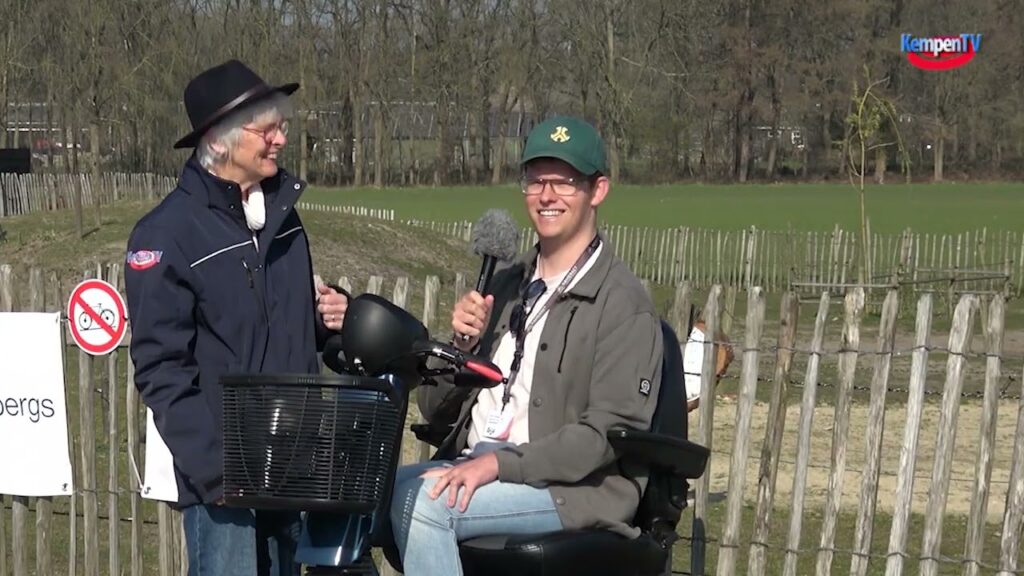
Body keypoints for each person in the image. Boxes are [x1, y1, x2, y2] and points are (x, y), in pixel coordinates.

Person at [388, 116, 664, 575]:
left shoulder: (622, 304)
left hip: (569, 488)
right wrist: (462, 347)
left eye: (564, 182)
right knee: (363, 495)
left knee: (425, 506)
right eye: (536, 181)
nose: (547, 195)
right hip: (479, 463)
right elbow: (434, 412)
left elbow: (604, 436)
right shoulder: (505, 287)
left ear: (598, 190)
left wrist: (499, 465)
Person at [124, 60, 349, 576]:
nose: (280, 139)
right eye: (266, 130)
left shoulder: (284, 220)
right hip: (223, 480)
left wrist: (327, 315)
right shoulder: (166, 235)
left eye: (281, 126)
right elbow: (161, 369)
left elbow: (280, 323)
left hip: (291, 462)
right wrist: (215, 471)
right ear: (219, 141)